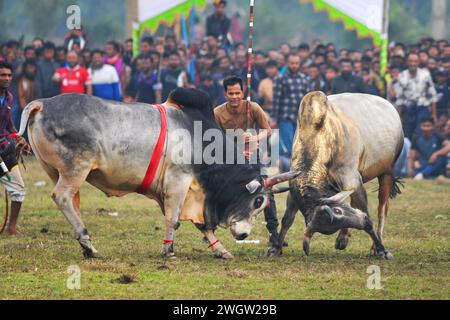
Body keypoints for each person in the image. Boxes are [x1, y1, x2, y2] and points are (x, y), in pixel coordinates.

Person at [214, 76, 285, 248]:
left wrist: (254, 138)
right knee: (218, 190)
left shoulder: (253, 107)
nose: (234, 97)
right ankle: (211, 229)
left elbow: (267, 131)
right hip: (230, 160)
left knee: (266, 191)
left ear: (243, 92)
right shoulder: (217, 113)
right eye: (231, 93)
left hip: (253, 158)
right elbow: (215, 139)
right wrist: (236, 145)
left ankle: (273, 233)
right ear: (225, 94)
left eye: (237, 93)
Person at [0, 61, 27, 235]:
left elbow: (9, 123)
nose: (7, 78)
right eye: (3, 75)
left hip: (4, 151)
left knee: (18, 188)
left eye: (9, 75)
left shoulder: (9, 97)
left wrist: (18, 137)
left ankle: (11, 227)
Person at [271, 53, 311, 167]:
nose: (294, 65)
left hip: (301, 119)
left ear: (300, 64)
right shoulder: (280, 78)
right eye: (292, 63)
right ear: (288, 63)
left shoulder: (304, 79)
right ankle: (290, 172)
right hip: (285, 117)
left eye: (296, 63)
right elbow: (276, 99)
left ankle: (299, 171)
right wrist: (274, 118)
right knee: (289, 146)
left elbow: (307, 100)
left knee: (301, 145)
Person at [395, 52, 438, 140]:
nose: (413, 63)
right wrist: (399, 118)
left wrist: (434, 114)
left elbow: (433, 95)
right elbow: (399, 98)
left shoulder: (425, 75)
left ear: (418, 62)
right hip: (408, 109)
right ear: (407, 62)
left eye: (415, 61)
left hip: (423, 108)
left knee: (421, 134)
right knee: (407, 134)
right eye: (410, 61)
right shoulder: (402, 76)